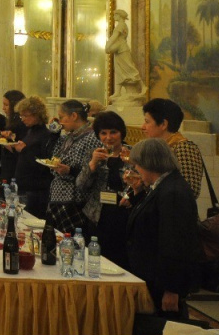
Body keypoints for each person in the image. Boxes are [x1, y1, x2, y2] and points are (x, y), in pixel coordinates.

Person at [126, 138, 202, 320]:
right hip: (152, 275)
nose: (136, 169)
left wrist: (171, 289)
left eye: (138, 164)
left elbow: (175, 243)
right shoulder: (163, 186)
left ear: (149, 163)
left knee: (166, 326)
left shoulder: (173, 191)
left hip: (162, 281)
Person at [77, 110, 132, 268]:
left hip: (124, 214)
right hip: (98, 215)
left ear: (121, 133)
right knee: (96, 261)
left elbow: (141, 184)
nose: (108, 137)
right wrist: (93, 164)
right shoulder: (93, 154)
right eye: (103, 133)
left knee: (121, 262)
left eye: (113, 132)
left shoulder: (132, 153)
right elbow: (80, 185)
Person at [45, 99, 103, 235]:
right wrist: (54, 133)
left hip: (75, 200)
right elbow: (53, 155)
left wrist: (69, 170)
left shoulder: (91, 138)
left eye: (61, 117)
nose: (60, 121)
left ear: (74, 116)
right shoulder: (69, 136)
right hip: (59, 197)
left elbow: (90, 172)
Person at [141, 98, 204, 199]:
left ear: (163, 124)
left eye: (147, 122)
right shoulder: (159, 148)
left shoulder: (184, 148)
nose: (143, 127)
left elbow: (190, 190)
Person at [9, 95, 56, 217]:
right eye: (21, 116)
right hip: (24, 186)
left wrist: (24, 150)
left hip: (35, 190)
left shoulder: (46, 135)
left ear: (37, 114)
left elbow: (44, 164)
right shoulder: (30, 131)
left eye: (25, 115)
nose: (22, 119)